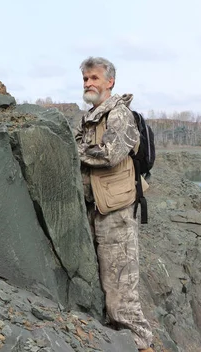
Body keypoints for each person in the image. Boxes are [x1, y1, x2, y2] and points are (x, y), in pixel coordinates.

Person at [75, 56, 154, 352]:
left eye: (94, 78)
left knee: (122, 287)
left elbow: (110, 154)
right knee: (106, 283)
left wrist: (74, 149)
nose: (88, 83)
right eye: (85, 79)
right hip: (97, 208)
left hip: (117, 212)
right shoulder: (91, 116)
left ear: (110, 82)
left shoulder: (119, 114)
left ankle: (140, 344)